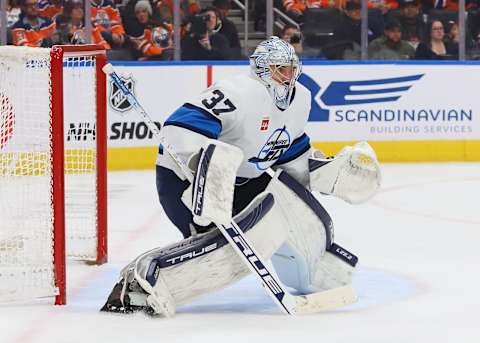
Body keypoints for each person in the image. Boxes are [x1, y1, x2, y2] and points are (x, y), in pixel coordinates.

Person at [101, 36, 381, 317]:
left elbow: (290, 150)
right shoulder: (237, 92)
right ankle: (139, 284)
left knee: (291, 208)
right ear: (261, 69)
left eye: (291, 69)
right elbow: (178, 130)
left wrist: (323, 171)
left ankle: (313, 271)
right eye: (279, 69)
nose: (288, 76)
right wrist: (208, 172)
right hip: (185, 182)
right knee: (222, 250)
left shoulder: (301, 99)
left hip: (245, 180)